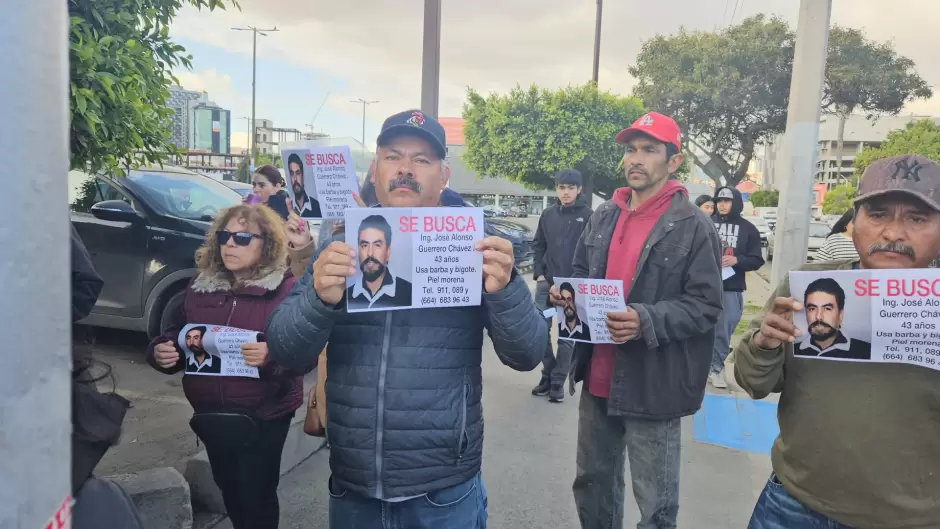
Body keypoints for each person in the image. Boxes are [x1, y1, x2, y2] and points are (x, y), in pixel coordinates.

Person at [267, 109, 546, 528]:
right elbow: (285, 350)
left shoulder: (477, 247)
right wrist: (318, 302)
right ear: (376, 170)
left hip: (443, 491)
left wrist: (505, 293)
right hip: (352, 486)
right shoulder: (340, 247)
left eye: (422, 159)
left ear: (444, 174)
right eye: (394, 156)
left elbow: (528, 354)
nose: (405, 169)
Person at [736, 154, 940, 529]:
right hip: (793, 503)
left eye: (917, 218)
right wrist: (765, 343)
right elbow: (754, 383)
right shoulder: (807, 286)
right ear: (854, 222)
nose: (894, 233)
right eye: (878, 215)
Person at [553, 112, 722, 529]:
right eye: (631, 150)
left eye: (650, 150)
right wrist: (566, 296)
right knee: (592, 484)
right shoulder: (603, 215)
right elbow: (579, 274)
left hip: (654, 383)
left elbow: (706, 305)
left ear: (674, 161)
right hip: (597, 377)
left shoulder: (694, 226)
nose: (637, 159)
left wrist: (645, 319)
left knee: (656, 504)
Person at [147, 204, 306, 529]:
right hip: (212, 415)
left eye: (243, 237)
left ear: (267, 243)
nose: (231, 243)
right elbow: (176, 333)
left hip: (264, 415)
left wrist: (270, 356)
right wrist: (161, 352)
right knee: (231, 492)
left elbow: (301, 353)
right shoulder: (200, 285)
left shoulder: (286, 288)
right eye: (225, 235)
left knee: (255, 497)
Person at [531, 168, 593, 402]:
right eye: (561, 187)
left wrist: (579, 282)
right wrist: (540, 275)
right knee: (540, 329)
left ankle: (557, 382)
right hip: (546, 286)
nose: (565, 192)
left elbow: (592, 252)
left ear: (579, 189)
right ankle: (547, 375)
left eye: (570, 188)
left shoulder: (589, 216)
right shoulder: (547, 214)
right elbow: (538, 245)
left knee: (567, 335)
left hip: (572, 287)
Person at [709, 185, 765, 388]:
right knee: (701, 328)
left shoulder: (748, 229)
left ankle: (716, 366)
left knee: (725, 328)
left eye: (727, 201)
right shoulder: (705, 223)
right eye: (719, 201)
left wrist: (736, 261)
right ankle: (711, 367)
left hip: (731, 287)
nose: (722, 205)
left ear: (736, 203)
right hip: (702, 286)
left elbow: (757, 260)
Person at [346, 213, 413, 310]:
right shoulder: (345, 296)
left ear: (388, 251)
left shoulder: (410, 293)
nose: (369, 253)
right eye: (364, 245)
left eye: (377, 245)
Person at [796, 278, 871, 360]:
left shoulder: (866, 351)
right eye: (812, 309)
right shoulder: (793, 350)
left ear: (840, 315)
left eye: (827, 308)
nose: (818, 316)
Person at [288, 153, 322, 218]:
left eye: (298, 173)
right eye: (292, 174)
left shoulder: (317, 207)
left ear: (303, 176)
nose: (295, 179)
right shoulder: (287, 206)